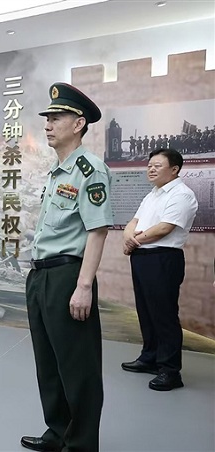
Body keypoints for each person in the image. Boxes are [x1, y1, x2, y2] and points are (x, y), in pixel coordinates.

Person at [21, 83, 112, 452]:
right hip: (41, 275)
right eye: (47, 118)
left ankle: (82, 444)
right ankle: (58, 432)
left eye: (56, 117)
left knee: (78, 367)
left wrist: (84, 285)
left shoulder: (90, 170)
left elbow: (98, 231)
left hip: (68, 276)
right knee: (48, 363)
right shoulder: (57, 171)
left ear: (78, 123)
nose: (48, 124)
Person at [121, 148, 198, 391]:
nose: (151, 169)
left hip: (163, 258)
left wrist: (133, 241)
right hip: (142, 257)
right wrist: (128, 236)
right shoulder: (152, 194)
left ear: (174, 169)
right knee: (146, 311)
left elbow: (165, 228)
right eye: (149, 165)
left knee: (164, 315)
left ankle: (170, 371)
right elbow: (134, 221)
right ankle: (150, 357)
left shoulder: (182, 195)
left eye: (157, 166)